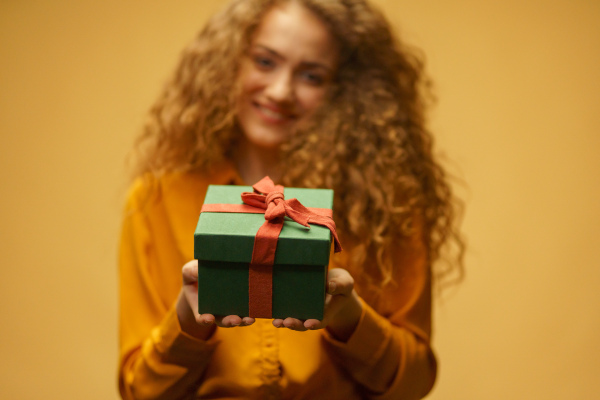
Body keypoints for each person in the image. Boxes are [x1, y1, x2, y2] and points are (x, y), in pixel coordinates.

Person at [118, 0, 464, 399]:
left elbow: (414, 385)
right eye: (265, 62)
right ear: (230, 62)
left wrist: (350, 318)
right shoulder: (157, 199)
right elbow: (137, 392)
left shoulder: (387, 206)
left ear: (347, 92)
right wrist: (187, 321)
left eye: (312, 76)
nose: (281, 91)